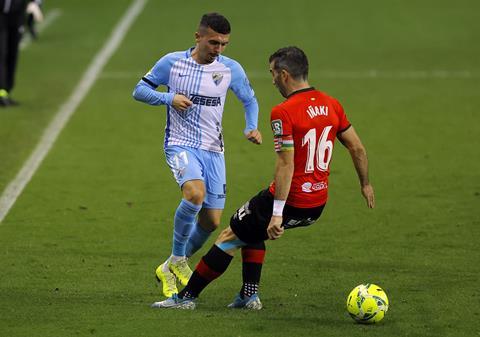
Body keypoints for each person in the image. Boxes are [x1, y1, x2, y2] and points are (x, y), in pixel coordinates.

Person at [151, 46, 375, 310]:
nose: (271, 80)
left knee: (230, 234)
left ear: (284, 75)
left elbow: (285, 164)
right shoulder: (332, 104)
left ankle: (186, 298)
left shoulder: (285, 111)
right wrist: (365, 184)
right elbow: (357, 147)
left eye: (272, 74)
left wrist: (278, 212)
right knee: (251, 224)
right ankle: (248, 295)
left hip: (291, 198)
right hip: (317, 204)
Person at [132, 13, 262, 298]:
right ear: (198, 37)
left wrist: (251, 127)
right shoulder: (172, 63)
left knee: (211, 222)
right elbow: (139, 90)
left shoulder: (231, 69)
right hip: (180, 143)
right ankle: (179, 258)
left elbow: (249, 100)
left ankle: (169, 266)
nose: (218, 49)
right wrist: (169, 98)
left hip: (214, 150)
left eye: (224, 44)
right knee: (194, 194)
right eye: (214, 42)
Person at [0, 0, 27, 107]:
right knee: (1, 54)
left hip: (16, 16)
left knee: (12, 55)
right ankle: (1, 92)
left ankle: (6, 91)